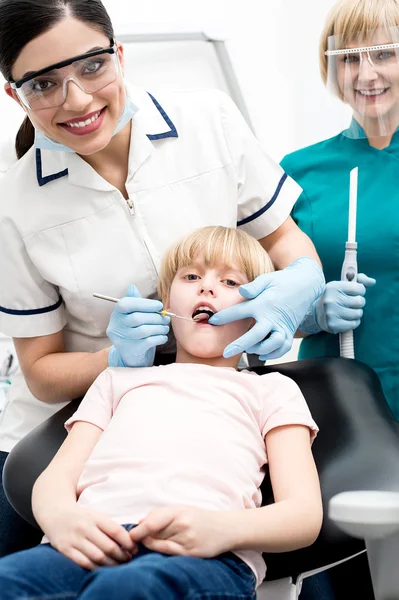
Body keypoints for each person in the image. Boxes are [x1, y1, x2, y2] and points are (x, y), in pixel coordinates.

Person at [0, 0, 328, 557]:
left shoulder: (209, 122)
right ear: (15, 95)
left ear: (119, 55)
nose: (76, 100)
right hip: (63, 435)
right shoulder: (14, 203)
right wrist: (115, 358)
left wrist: (303, 280)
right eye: (44, 84)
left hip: (204, 419)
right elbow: (42, 375)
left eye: (91, 67)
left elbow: (286, 242)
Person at [0, 225, 322, 600]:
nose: (206, 287)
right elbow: (55, 480)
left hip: (207, 556)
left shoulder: (272, 391)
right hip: (88, 544)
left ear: (260, 310)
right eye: (191, 276)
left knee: (127, 589)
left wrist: (222, 529)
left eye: (232, 282)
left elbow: (303, 515)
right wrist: (61, 519)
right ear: (167, 303)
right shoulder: (117, 381)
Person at [281, 0, 399, 597]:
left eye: (384, 53)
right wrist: (311, 309)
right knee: (346, 575)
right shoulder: (298, 174)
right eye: (348, 57)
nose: (366, 73)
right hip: (341, 413)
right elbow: (267, 304)